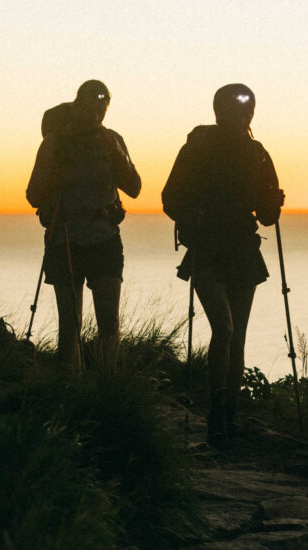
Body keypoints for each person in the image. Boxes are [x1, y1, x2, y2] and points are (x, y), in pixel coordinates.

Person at [161, 83, 284, 449]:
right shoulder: (201, 148)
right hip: (209, 249)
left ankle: (227, 418)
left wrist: (273, 204)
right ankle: (219, 416)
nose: (243, 117)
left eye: (247, 111)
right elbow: (170, 198)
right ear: (221, 112)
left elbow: (265, 216)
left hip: (239, 247)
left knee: (235, 335)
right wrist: (189, 215)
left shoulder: (255, 153)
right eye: (238, 110)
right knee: (226, 330)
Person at [26, 80, 142, 373]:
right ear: (76, 106)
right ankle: (73, 389)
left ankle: (105, 390)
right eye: (91, 108)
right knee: (70, 327)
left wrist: (115, 152)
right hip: (64, 238)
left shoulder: (112, 140)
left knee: (108, 324)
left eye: (102, 110)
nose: (96, 116)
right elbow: (33, 194)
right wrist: (56, 178)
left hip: (103, 237)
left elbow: (135, 187)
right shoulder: (54, 142)